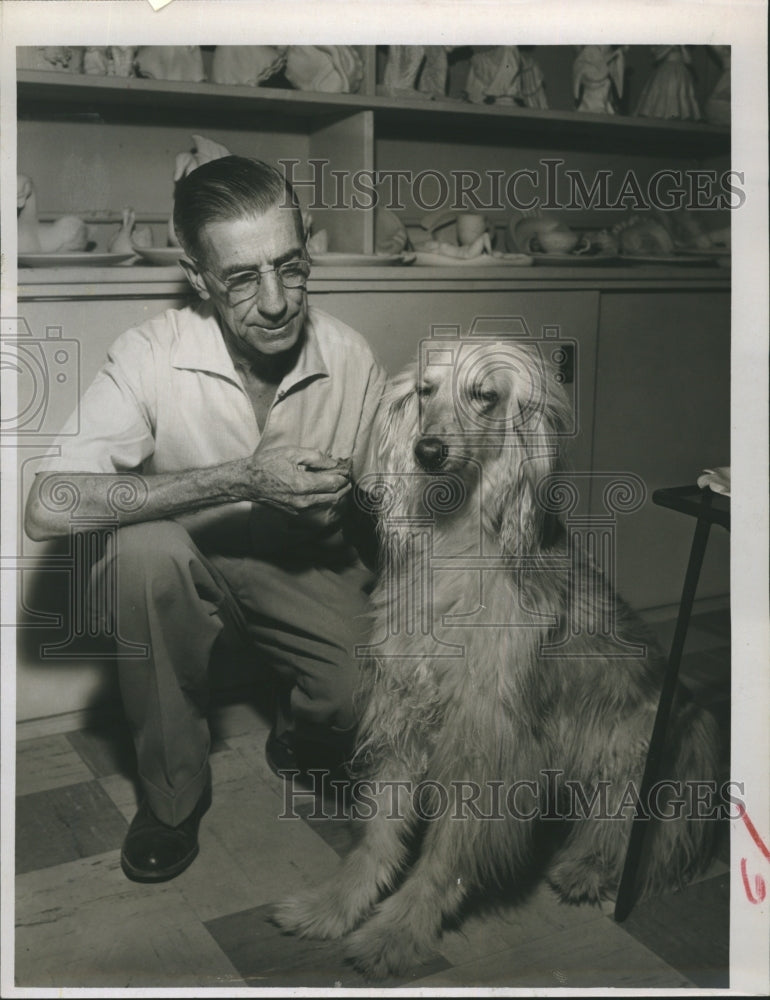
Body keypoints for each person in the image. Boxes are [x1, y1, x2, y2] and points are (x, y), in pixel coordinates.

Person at [24, 156, 387, 883]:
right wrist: (241, 477)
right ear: (198, 277)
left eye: (292, 266)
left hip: (306, 563)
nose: (279, 301)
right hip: (191, 561)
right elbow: (46, 505)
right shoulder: (151, 352)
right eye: (244, 278)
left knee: (360, 697)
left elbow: (388, 509)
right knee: (141, 555)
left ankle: (303, 729)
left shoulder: (350, 356)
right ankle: (171, 798)